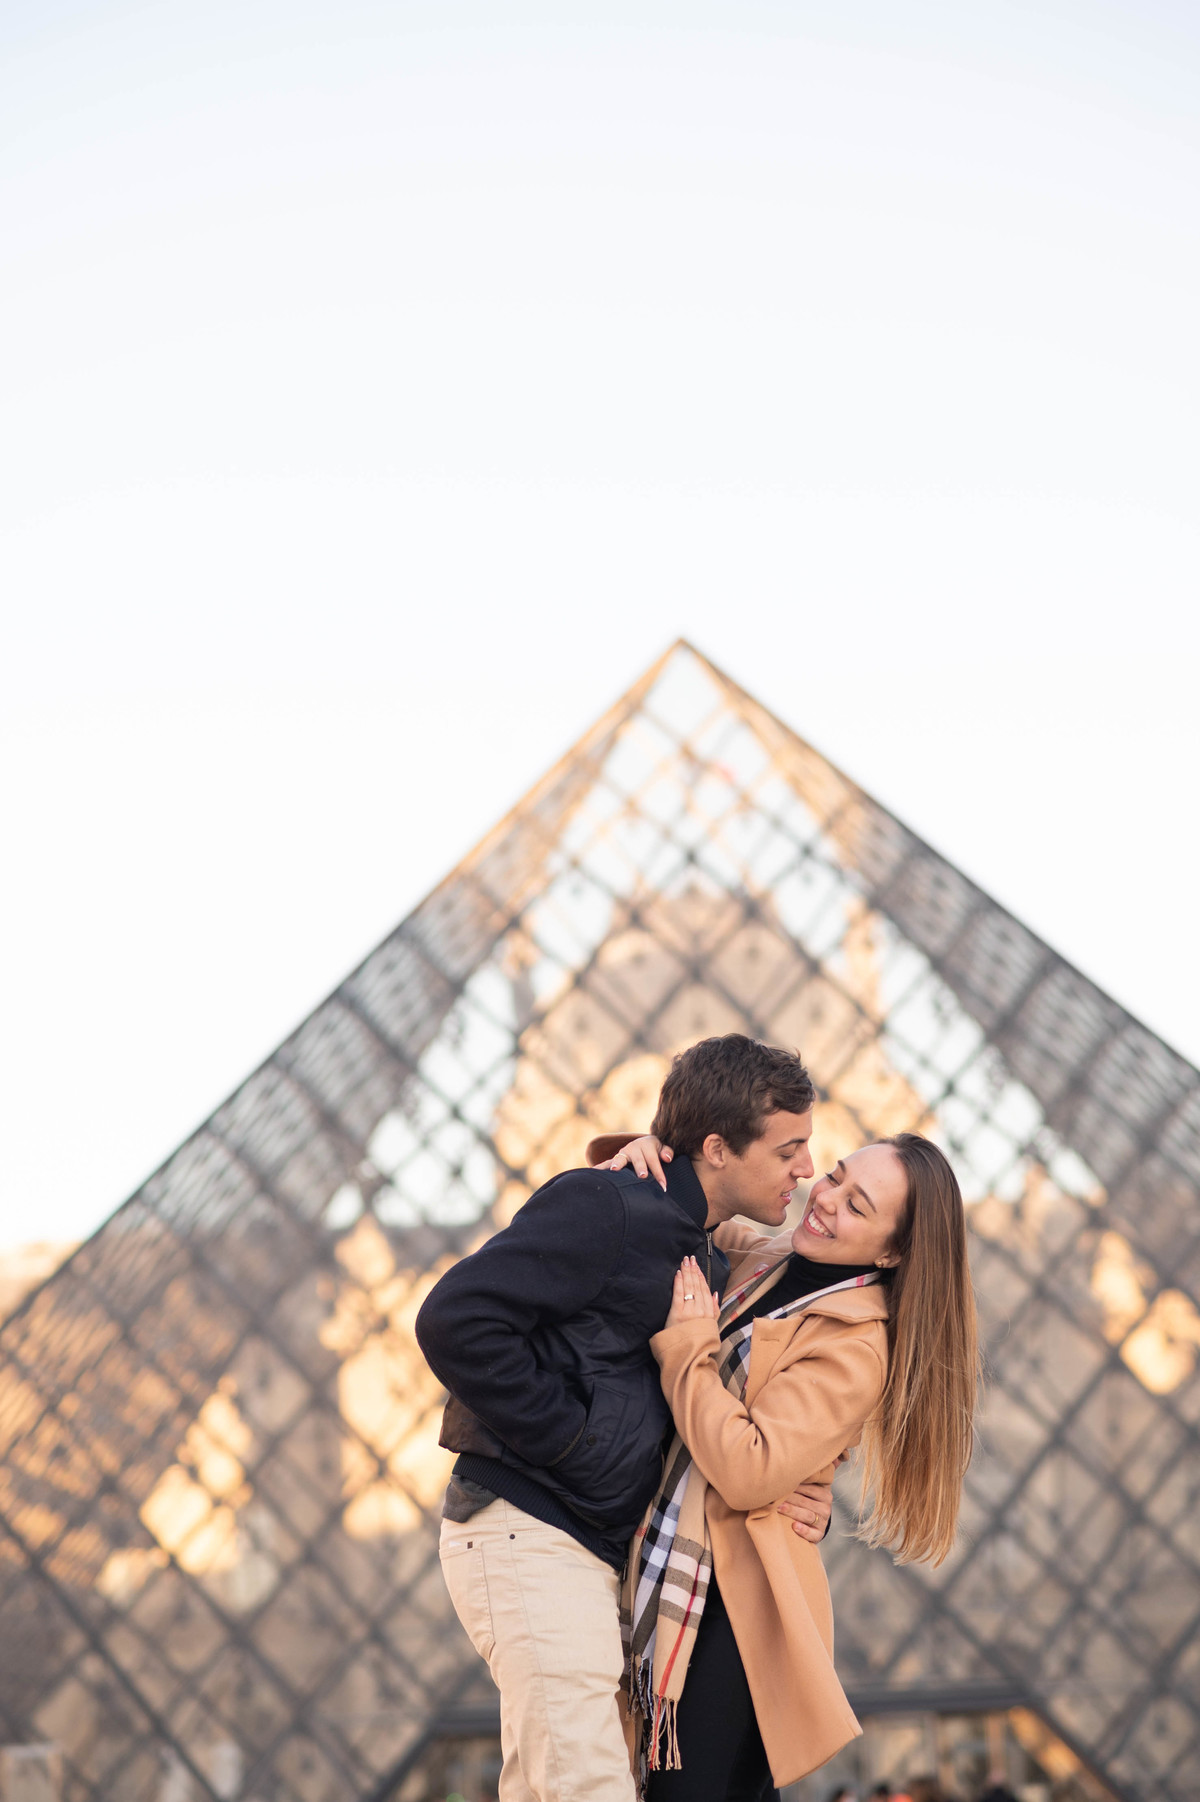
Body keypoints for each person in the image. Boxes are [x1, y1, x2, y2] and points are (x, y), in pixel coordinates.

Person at [415, 1036, 833, 1802]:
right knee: (588, 1785)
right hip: (529, 1527)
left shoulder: (700, 1250)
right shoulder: (610, 1205)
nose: (806, 1169)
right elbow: (455, 1318)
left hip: (583, 1545)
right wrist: (573, 1444)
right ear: (718, 1149)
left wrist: (806, 1486)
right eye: (789, 1150)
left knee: (556, 1784)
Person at [596, 1126, 978, 1801]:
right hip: (678, 1574)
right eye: (836, 1175)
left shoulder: (858, 1348)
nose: (825, 1197)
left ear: (892, 1252)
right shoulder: (763, 1255)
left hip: (735, 1615)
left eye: (858, 1206)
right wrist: (648, 1146)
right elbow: (669, 1204)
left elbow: (749, 1471)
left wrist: (688, 1347)